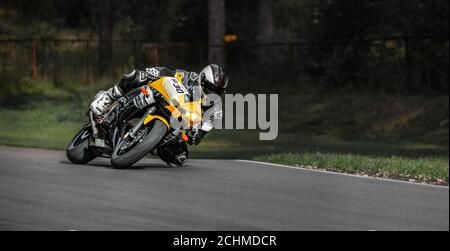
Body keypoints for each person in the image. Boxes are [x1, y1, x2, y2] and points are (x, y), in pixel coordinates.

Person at [90, 64, 228, 166]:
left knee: (180, 157)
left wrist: (193, 134)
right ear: (202, 80)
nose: (213, 93)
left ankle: (146, 144)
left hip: (174, 126)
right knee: (135, 76)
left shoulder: (215, 112)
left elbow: (198, 137)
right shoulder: (189, 77)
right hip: (160, 100)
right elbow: (169, 72)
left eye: (217, 91)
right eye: (211, 88)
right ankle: (108, 97)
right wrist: (154, 72)